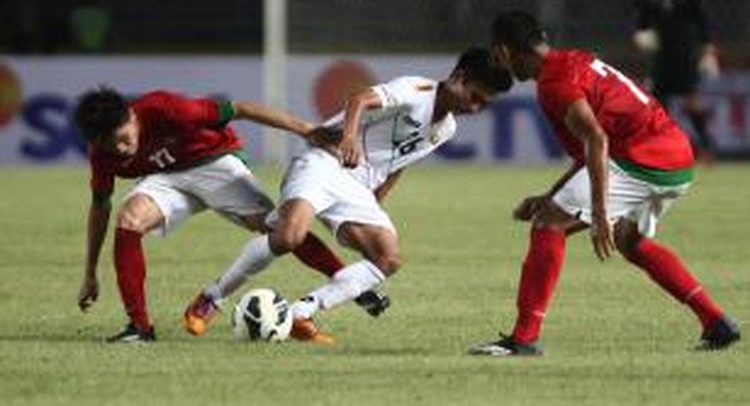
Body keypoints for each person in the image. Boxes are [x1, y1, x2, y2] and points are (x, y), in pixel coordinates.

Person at [184, 47, 512, 344]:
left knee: (388, 258)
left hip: (355, 189)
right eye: (475, 97)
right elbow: (358, 100)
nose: (476, 107)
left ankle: (302, 312)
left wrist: (376, 199)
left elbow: (400, 163)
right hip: (325, 161)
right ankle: (211, 297)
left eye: (484, 104)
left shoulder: (447, 128)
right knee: (288, 237)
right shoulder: (416, 90)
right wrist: (349, 138)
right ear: (459, 77)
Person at [469, 11, 740, 356]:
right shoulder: (572, 60)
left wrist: (598, 213)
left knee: (549, 223)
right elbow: (592, 150)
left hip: (644, 158)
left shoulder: (554, 84)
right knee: (630, 241)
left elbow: (596, 141)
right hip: (674, 155)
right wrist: (550, 195)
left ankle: (524, 338)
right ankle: (716, 322)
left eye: (498, 56)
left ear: (505, 52)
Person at [74, 87, 389, 343]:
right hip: (168, 179)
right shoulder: (103, 155)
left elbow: (241, 108)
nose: (123, 149)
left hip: (214, 163)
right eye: (111, 145)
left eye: (125, 137)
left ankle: (348, 282)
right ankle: (139, 328)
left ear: (131, 115)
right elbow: (100, 207)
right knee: (128, 220)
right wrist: (90, 272)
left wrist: (307, 130)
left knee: (282, 230)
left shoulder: (166, 108)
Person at [633, 0, 719, 160]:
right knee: (658, 105)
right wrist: (641, 37)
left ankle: (707, 144)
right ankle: (666, 151)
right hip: (660, 57)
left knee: (691, 101)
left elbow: (701, 21)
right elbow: (641, 25)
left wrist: (707, 48)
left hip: (684, 53)